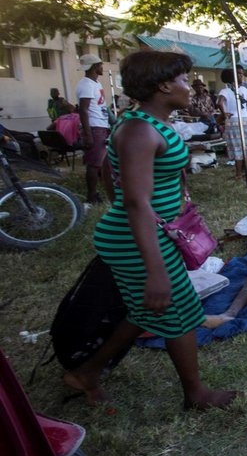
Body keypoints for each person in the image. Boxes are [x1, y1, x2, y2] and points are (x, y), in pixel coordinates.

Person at [64, 49, 237, 411]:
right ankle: (196, 394)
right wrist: (156, 269)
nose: (189, 86)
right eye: (183, 80)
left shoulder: (146, 123)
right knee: (178, 312)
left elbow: (116, 179)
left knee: (151, 311)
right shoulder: (139, 130)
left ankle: (86, 374)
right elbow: (135, 203)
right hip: (137, 238)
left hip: (148, 232)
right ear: (162, 86)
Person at [75, 53, 112, 203]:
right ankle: (91, 195)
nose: (102, 67)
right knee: (94, 163)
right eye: (100, 64)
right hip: (94, 127)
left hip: (101, 125)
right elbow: (83, 110)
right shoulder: (86, 85)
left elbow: (101, 106)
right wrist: (88, 134)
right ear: (95, 66)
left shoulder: (96, 83)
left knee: (102, 162)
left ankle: (103, 190)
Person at [218, 67, 247, 182]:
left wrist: (224, 113)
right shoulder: (244, 90)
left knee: (237, 148)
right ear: (233, 78)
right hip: (245, 120)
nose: (241, 76)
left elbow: (220, 102)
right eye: (239, 74)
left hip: (232, 121)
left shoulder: (225, 91)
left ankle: (239, 174)